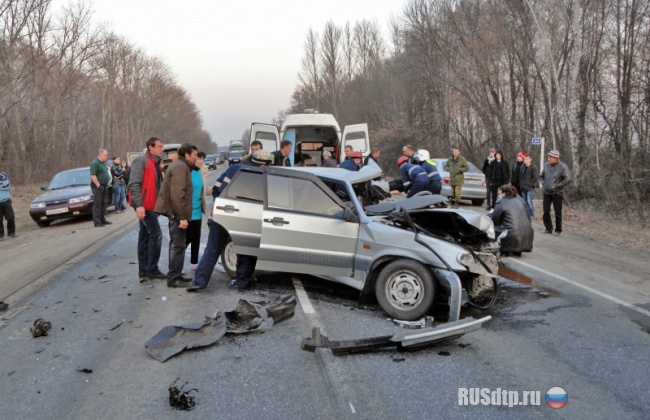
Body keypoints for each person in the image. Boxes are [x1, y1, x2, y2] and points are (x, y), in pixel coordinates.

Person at [186, 150, 273, 292]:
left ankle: (199, 281)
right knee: (246, 248)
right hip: (246, 214)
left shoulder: (234, 168)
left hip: (224, 211)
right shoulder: (260, 175)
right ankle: (243, 281)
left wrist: (220, 201)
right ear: (262, 164)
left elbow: (216, 188)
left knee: (213, 248)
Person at [154, 143, 199, 288]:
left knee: (178, 244)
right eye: (194, 155)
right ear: (186, 155)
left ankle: (176, 274)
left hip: (175, 213)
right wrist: (182, 217)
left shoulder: (181, 166)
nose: (196, 158)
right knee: (177, 245)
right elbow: (177, 196)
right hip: (176, 214)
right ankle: (173, 278)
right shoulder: (180, 167)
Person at [128, 137, 165, 281]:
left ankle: (144, 270)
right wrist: (139, 205)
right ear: (151, 147)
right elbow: (134, 184)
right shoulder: (141, 161)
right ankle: (152, 269)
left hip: (150, 205)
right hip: (145, 205)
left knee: (144, 237)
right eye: (160, 146)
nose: (162, 149)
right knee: (155, 235)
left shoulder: (156, 163)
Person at [489, 184, 534, 256]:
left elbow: (495, 219)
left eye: (499, 193)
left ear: (504, 193)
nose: (498, 195)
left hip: (511, 236)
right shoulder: (520, 200)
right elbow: (528, 217)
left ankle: (504, 249)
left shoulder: (501, 202)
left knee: (491, 228)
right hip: (527, 236)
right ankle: (517, 250)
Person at [540, 150, 571, 236]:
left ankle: (558, 230)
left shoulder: (563, 167)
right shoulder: (546, 165)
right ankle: (548, 228)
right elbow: (541, 176)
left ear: (555, 158)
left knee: (557, 211)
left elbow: (568, 178)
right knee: (546, 211)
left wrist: (558, 185)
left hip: (557, 192)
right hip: (546, 192)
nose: (548, 159)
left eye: (550, 157)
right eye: (548, 157)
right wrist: (543, 183)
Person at [186, 151, 207, 271]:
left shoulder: (201, 172)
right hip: (187, 210)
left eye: (203, 159)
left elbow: (203, 190)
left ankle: (194, 263)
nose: (201, 161)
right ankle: (176, 264)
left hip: (198, 209)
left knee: (196, 238)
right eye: (199, 158)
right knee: (187, 238)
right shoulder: (187, 171)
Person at [90, 148, 111, 227]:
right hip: (98, 186)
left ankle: (102, 219)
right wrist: (98, 185)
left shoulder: (103, 163)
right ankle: (97, 221)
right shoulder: (95, 163)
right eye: (105, 155)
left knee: (104, 203)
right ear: (100, 155)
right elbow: (92, 175)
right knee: (97, 204)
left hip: (105, 185)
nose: (107, 157)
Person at [0, 170, 17, 239]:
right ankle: (1, 235)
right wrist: (2, 185)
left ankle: (11, 232)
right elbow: (5, 185)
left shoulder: (3, 175)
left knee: (11, 217)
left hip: (6, 200)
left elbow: (8, 185)